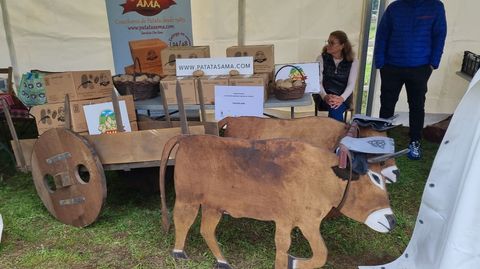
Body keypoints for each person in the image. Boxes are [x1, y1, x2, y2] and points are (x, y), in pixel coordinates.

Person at [374, 0, 447, 160]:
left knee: (417, 106)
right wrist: (381, 63)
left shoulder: (435, 6)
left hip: (420, 67)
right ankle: (383, 140)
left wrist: (433, 63)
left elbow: (439, 35)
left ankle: (415, 141)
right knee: (386, 104)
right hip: (391, 66)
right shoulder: (394, 7)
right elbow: (382, 35)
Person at [314, 30, 359, 122]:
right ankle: (340, 133)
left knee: (335, 107)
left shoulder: (353, 61)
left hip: (343, 97)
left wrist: (341, 98)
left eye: (332, 43)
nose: (328, 45)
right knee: (334, 106)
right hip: (324, 95)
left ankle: (336, 133)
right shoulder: (321, 58)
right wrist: (325, 96)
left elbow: (351, 84)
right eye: (328, 42)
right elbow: (318, 81)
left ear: (342, 46)